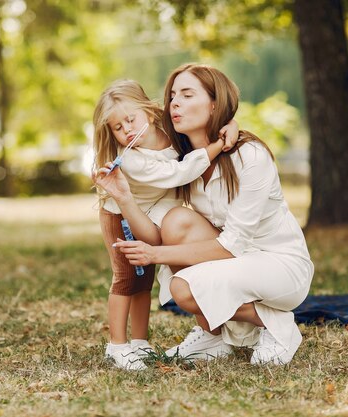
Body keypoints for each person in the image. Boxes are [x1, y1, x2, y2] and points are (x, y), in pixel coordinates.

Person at [98, 64, 314, 366]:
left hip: (278, 265)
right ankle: (212, 336)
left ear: (214, 103)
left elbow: (233, 245)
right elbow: (157, 229)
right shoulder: (183, 162)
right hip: (236, 261)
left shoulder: (250, 155)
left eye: (187, 95)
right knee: (175, 222)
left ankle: (277, 326)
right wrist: (123, 197)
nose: (175, 103)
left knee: (183, 287)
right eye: (173, 96)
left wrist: (155, 254)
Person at [91, 79, 239, 370]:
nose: (127, 130)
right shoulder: (133, 160)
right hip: (119, 215)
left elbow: (207, 121)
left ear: (148, 110)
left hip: (152, 211)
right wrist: (219, 145)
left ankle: (139, 342)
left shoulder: (168, 132)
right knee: (125, 279)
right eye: (118, 128)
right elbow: (179, 173)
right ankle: (117, 345)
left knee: (144, 281)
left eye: (131, 120)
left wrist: (230, 125)